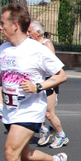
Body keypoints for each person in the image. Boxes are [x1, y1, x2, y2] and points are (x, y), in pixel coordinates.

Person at [0, 3, 68, 161]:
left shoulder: (36, 50)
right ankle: (55, 160)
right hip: (10, 110)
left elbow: (61, 75)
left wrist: (37, 86)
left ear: (15, 25)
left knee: (10, 150)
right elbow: (4, 73)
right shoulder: (3, 49)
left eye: (3, 23)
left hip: (30, 110)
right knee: (22, 155)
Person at [28, 20, 70, 148]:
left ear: (38, 32)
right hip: (36, 83)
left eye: (29, 31)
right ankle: (45, 130)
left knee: (48, 113)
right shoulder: (32, 45)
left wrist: (48, 84)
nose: (27, 34)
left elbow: (54, 68)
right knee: (34, 110)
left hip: (48, 84)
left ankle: (61, 135)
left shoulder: (46, 45)